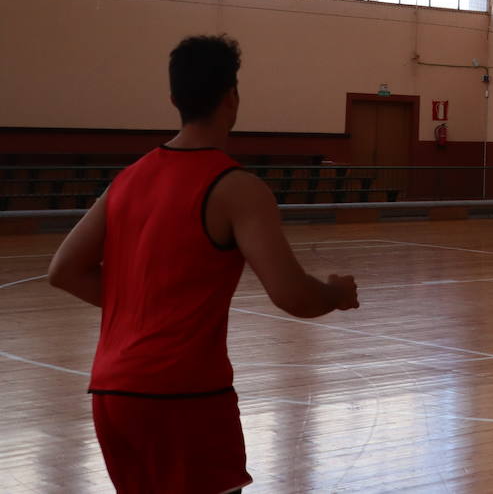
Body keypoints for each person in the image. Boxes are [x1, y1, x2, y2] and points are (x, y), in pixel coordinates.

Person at [47, 35, 360, 494]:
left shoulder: (129, 179)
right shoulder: (236, 188)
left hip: (112, 395)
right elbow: (292, 295)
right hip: (185, 397)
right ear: (232, 98)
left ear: (174, 99)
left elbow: (64, 270)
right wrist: (335, 293)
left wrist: (139, 305)